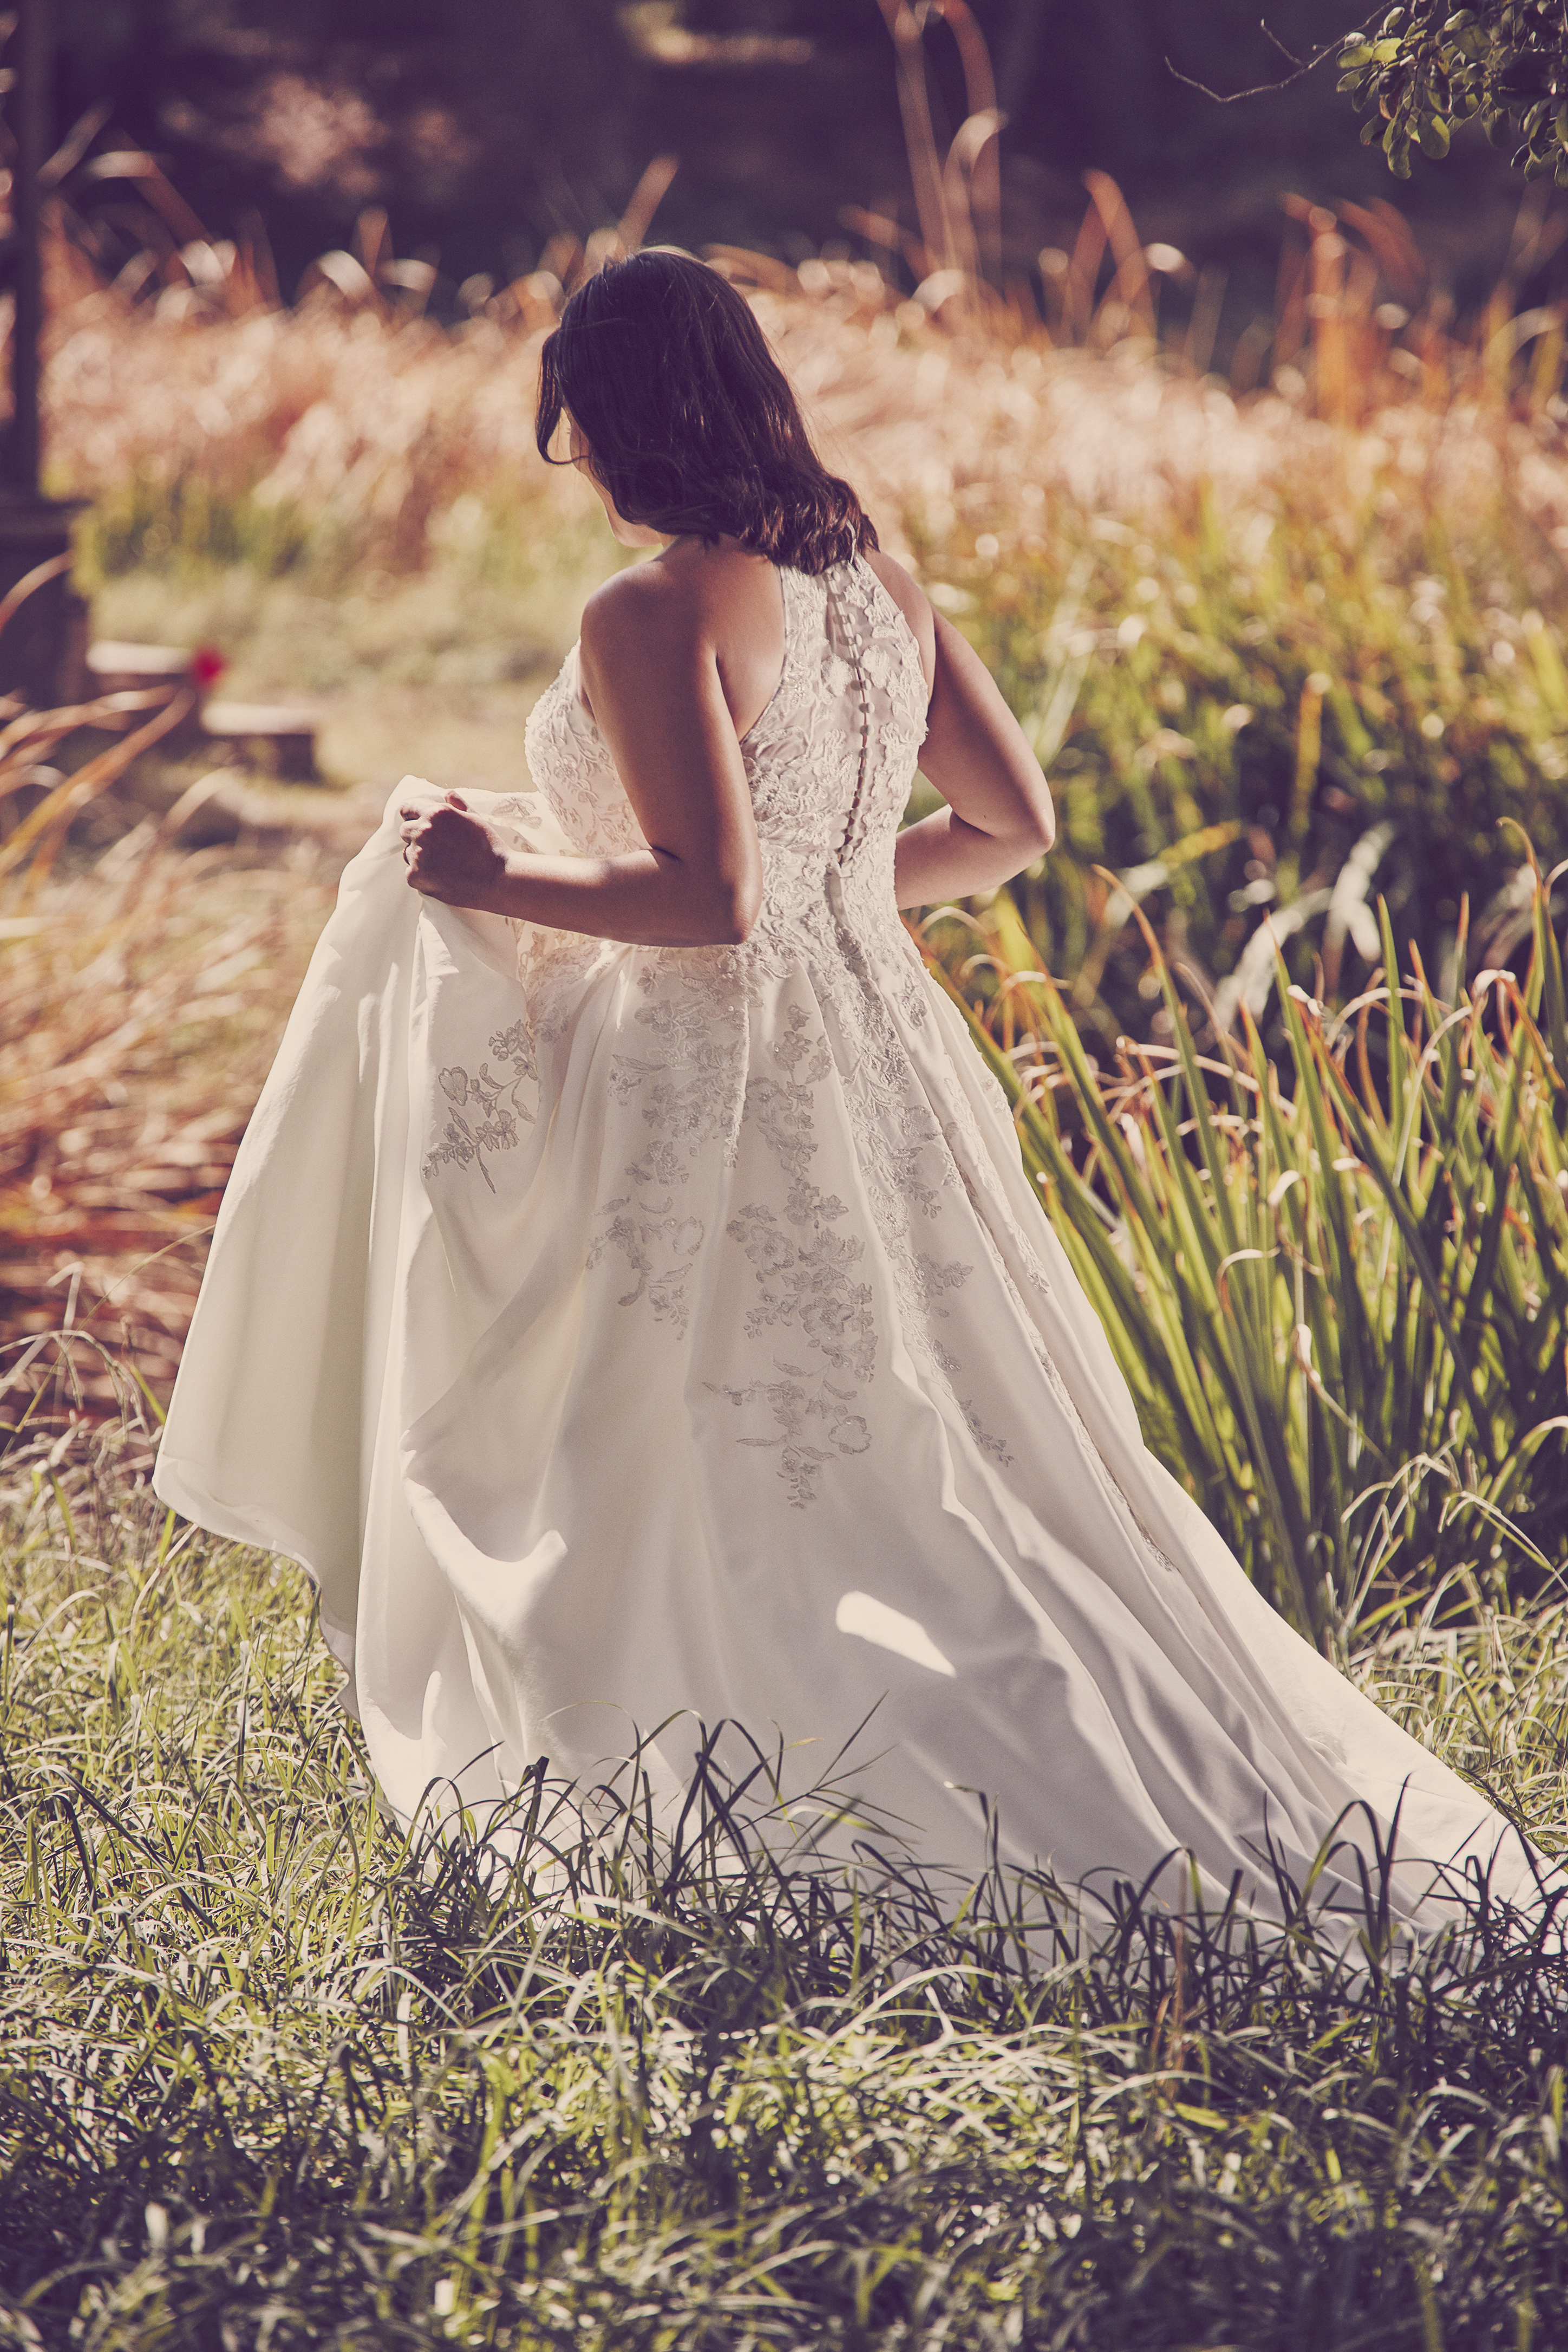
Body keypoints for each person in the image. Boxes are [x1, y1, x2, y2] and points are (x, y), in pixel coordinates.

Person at [153, 250, 1540, 1927]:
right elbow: (1005, 829)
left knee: (658, 1446)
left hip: (705, 1080)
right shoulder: (870, 567)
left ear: (613, 417)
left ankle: (745, 1779)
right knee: (936, 1438)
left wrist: (486, 874)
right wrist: (836, 895)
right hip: (879, 1050)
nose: (570, 460)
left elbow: (704, 899)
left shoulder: (653, 611)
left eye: (570, 426)